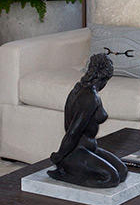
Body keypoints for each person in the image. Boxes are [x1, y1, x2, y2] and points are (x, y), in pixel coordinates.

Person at [48, 53, 128, 188]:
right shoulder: (89, 97)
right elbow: (73, 132)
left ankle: (71, 171)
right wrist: (59, 155)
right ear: (103, 78)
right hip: (75, 151)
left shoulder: (85, 89)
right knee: (111, 178)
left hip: (90, 148)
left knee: (122, 171)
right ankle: (65, 173)